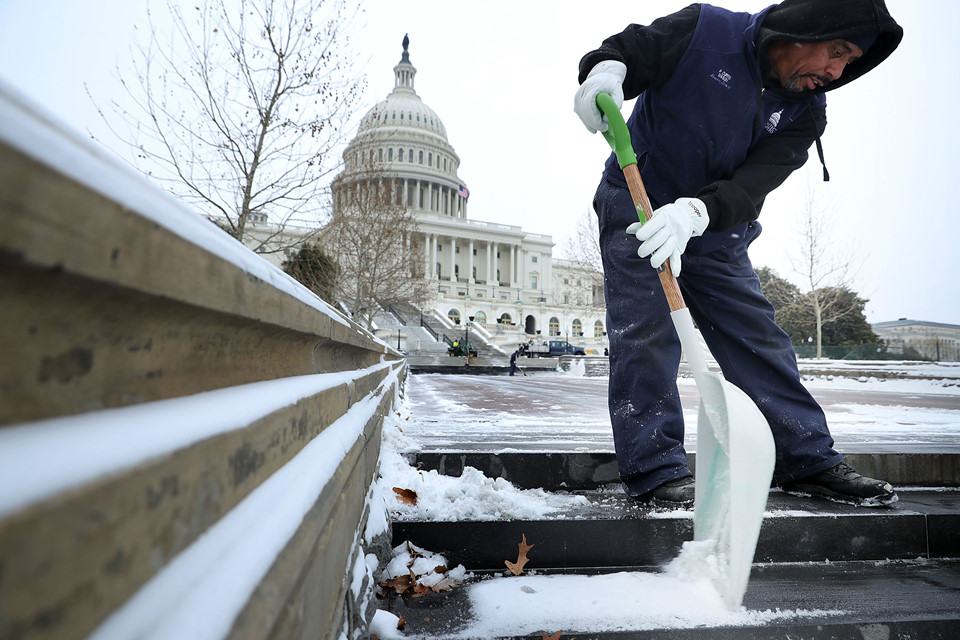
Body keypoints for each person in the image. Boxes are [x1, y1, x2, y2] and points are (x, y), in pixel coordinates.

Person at [573, 0, 902, 507]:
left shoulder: (806, 114)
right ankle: (656, 470)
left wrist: (693, 215)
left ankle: (806, 459)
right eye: (836, 51)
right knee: (646, 333)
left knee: (758, 340)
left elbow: (750, 187)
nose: (838, 71)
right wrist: (605, 72)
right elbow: (631, 50)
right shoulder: (705, 29)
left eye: (848, 61)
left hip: (715, 225)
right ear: (806, 27)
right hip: (637, 201)